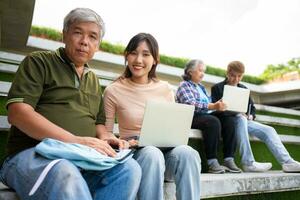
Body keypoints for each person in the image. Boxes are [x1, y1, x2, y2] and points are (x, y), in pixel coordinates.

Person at [0, 8, 141, 200]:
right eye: (78, 32)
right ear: (64, 34)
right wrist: (76, 140)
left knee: (128, 169)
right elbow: (18, 113)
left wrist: (107, 138)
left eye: (93, 37)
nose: (85, 41)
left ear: (97, 45)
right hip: (31, 155)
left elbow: (99, 125)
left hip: (80, 158)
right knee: (64, 171)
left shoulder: (94, 80)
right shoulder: (39, 62)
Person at [103, 33, 201, 200]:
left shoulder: (165, 89)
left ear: (155, 59)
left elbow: (171, 129)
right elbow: (106, 134)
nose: (138, 60)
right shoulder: (113, 90)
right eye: (133, 53)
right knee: (151, 153)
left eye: (146, 54)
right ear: (126, 56)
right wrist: (123, 142)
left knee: (187, 153)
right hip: (136, 155)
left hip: (166, 154)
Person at [211, 60, 300, 172]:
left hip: (244, 121)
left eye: (239, 76)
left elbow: (252, 108)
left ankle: (288, 162)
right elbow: (215, 110)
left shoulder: (243, 88)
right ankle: (248, 163)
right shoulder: (217, 88)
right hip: (229, 122)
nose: (236, 79)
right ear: (227, 73)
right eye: (233, 76)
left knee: (269, 130)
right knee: (240, 118)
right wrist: (237, 113)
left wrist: (251, 116)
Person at [176, 59, 242, 174]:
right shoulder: (184, 85)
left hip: (205, 115)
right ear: (190, 72)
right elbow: (190, 104)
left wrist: (219, 103)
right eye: (200, 70)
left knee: (229, 119)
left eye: (204, 71)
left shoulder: (201, 87)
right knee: (213, 121)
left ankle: (228, 159)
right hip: (190, 116)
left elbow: (210, 103)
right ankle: (212, 162)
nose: (202, 73)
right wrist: (213, 106)